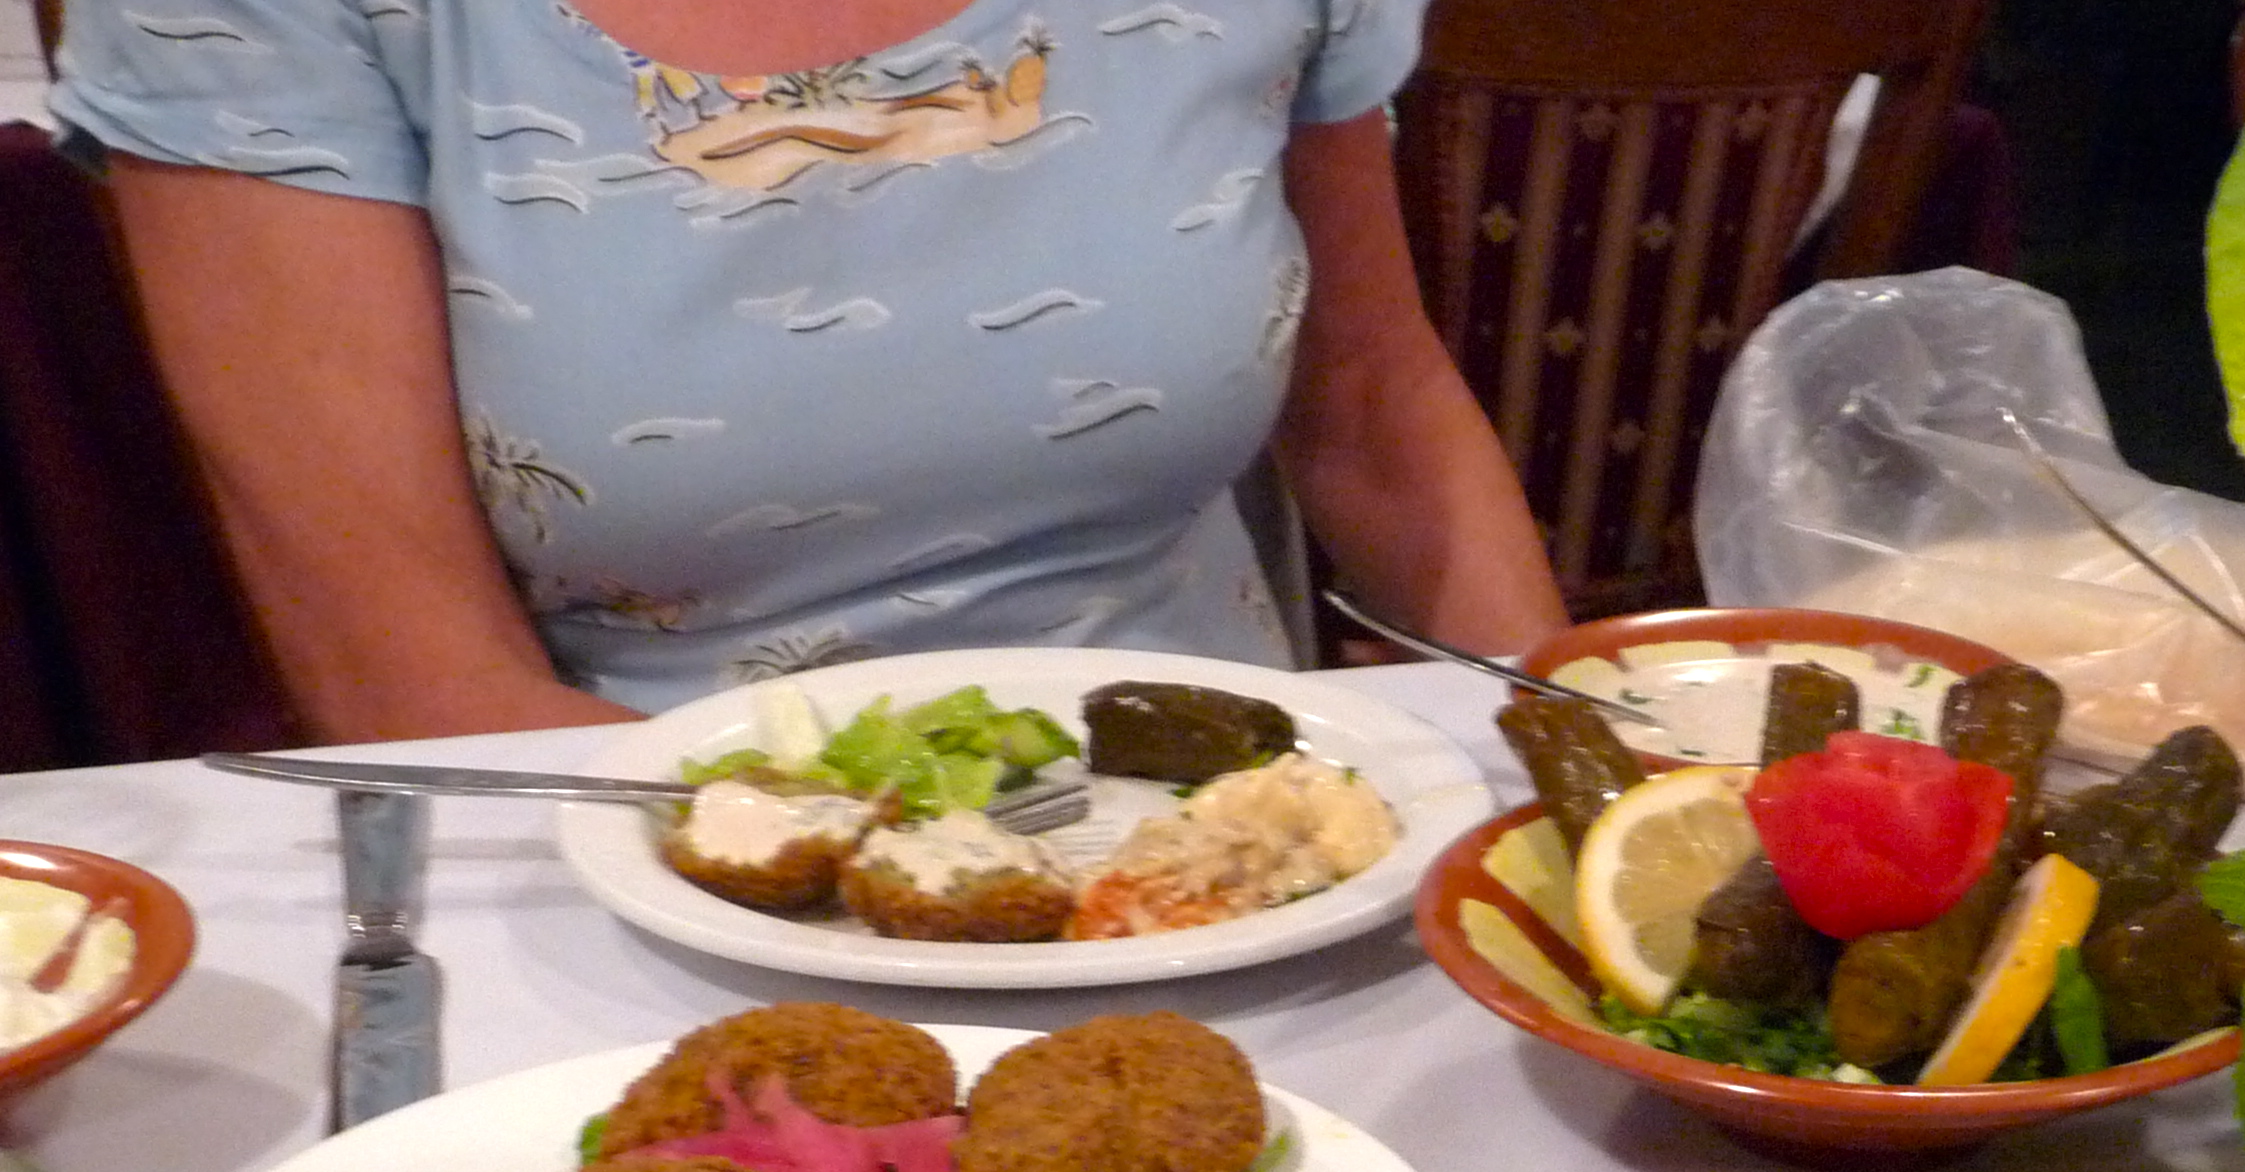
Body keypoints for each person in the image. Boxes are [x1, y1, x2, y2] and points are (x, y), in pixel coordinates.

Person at [49, 0, 1568, 742]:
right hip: (623, 894)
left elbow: (1374, 409)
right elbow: (408, 677)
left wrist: (1580, 778)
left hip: (1243, 851)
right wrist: (963, 901)